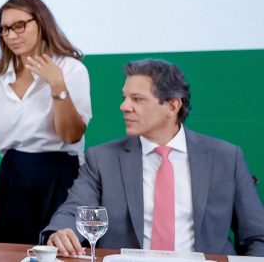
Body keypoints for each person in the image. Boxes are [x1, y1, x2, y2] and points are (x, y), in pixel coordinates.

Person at [43, 59, 264, 256]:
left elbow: (257, 237)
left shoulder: (226, 157)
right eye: (124, 97)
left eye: (137, 99)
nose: (124, 106)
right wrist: (62, 232)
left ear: (172, 105)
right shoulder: (102, 159)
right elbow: (74, 209)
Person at [0, 0, 92, 244]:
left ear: (41, 22)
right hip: (13, 174)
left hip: (60, 173)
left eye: (19, 25)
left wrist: (57, 85)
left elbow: (71, 135)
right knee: (9, 251)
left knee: (58, 250)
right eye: (4, 29)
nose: (10, 34)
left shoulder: (71, 69)